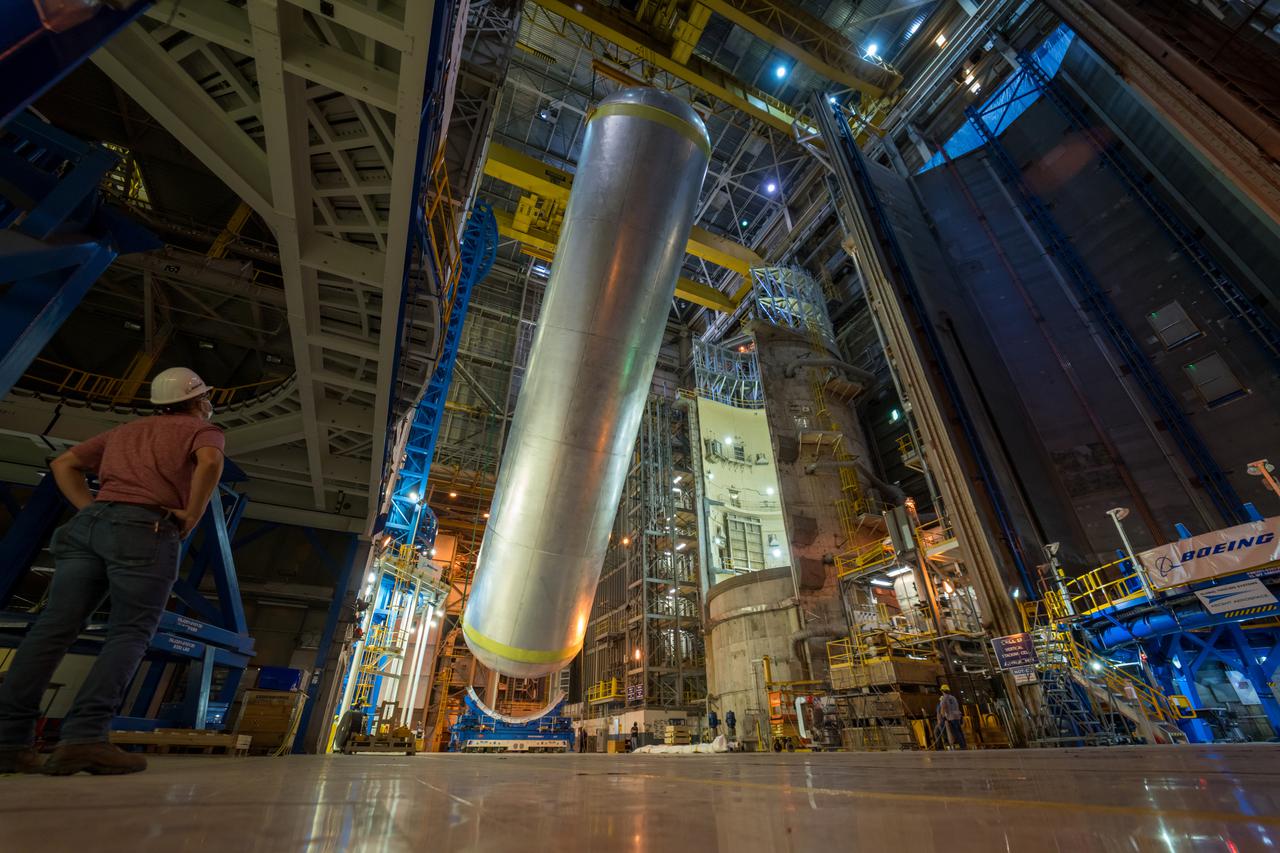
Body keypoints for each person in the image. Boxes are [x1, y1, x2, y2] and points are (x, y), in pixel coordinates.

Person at [0, 367, 224, 776]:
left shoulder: (126, 432)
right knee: (130, 631)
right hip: (145, 529)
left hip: (89, 526)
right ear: (197, 401)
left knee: (51, 630)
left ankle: (8, 742)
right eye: (207, 397)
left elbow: (65, 462)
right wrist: (191, 514)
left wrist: (91, 509)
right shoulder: (201, 431)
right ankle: (84, 738)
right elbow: (209, 464)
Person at [936, 684, 966, 750]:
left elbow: (943, 708)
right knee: (960, 731)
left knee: (956, 732)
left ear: (942, 691)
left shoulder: (944, 698)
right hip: (958, 716)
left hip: (951, 717)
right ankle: (964, 745)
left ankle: (962, 746)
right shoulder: (953, 697)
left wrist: (943, 717)